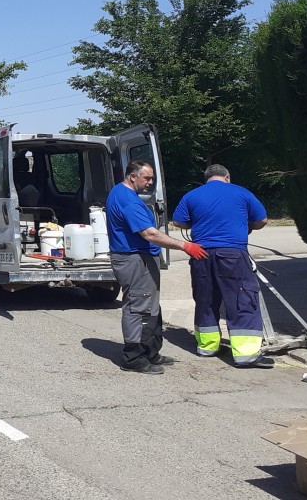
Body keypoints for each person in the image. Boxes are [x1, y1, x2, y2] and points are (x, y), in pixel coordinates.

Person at [107, 160, 207, 374]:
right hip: (134, 259)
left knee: (150, 305)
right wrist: (185, 245)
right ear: (133, 176)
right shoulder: (128, 201)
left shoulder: (121, 192)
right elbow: (149, 233)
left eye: (152, 178)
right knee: (138, 306)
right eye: (147, 178)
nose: (151, 182)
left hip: (139, 257)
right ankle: (133, 356)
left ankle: (150, 351)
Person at [172, 164, 272, 369]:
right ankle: (246, 355)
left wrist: (200, 221)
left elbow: (178, 222)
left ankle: (208, 346)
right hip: (233, 254)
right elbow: (262, 220)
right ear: (227, 177)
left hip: (201, 253)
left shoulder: (192, 195)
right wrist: (246, 224)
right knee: (241, 300)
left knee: (205, 299)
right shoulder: (241, 192)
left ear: (206, 178)